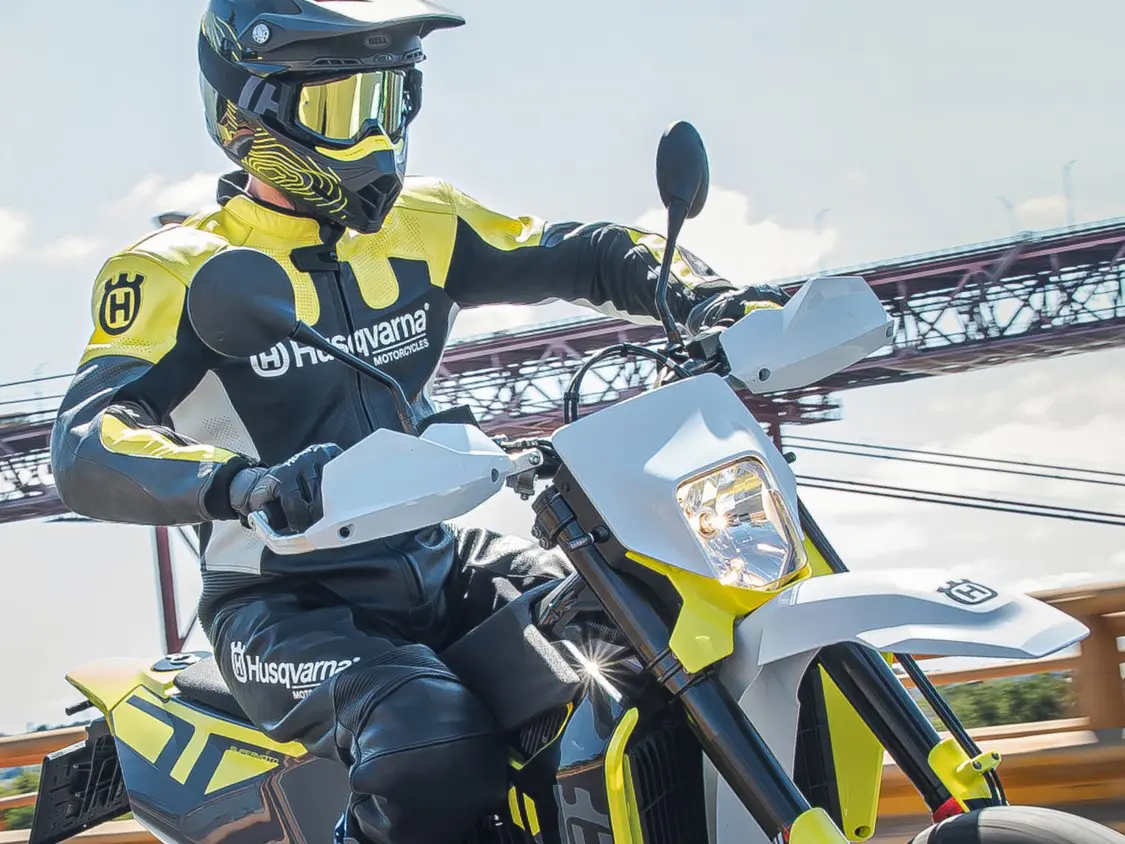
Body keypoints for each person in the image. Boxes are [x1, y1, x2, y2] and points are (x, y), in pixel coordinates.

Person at [50, 1, 787, 842]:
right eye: (340, 107)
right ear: (248, 112)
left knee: (640, 632)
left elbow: (583, 250)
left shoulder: (427, 222)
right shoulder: (177, 270)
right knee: (428, 738)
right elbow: (85, 440)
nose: (373, 138)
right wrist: (241, 484)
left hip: (438, 560)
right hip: (282, 600)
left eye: (389, 99)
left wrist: (707, 298)